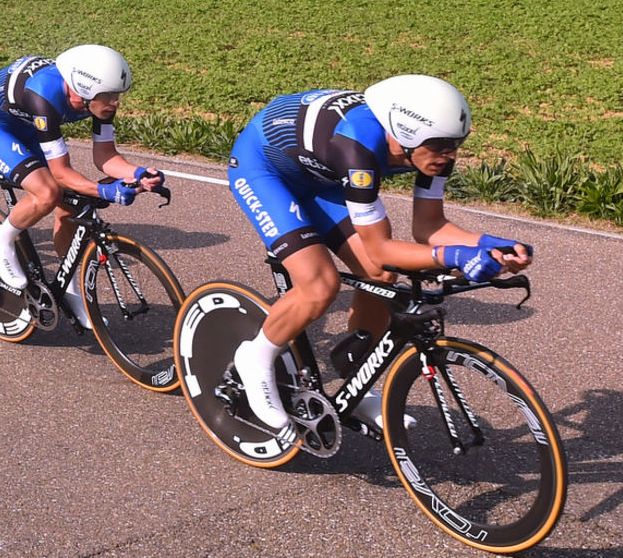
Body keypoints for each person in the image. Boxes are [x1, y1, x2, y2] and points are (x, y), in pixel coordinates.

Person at [227, 75, 533, 440]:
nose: (449, 155)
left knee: (379, 275)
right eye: (440, 146)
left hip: (321, 175)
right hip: (264, 169)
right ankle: (255, 356)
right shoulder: (357, 149)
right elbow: (381, 247)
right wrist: (454, 256)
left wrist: (486, 245)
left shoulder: (430, 151)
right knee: (320, 284)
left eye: (456, 145)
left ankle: (355, 382)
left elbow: (429, 227)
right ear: (403, 135)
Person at [0, 45, 164, 329]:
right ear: (83, 90)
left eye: (118, 95)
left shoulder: (96, 99)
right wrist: (105, 191)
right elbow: (61, 173)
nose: (116, 102)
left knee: (73, 205)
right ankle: (2, 237)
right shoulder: (44, 95)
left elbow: (105, 156)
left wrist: (139, 173)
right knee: (48, 192)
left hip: (30, 127)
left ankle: (68, 290)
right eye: (110, 96)